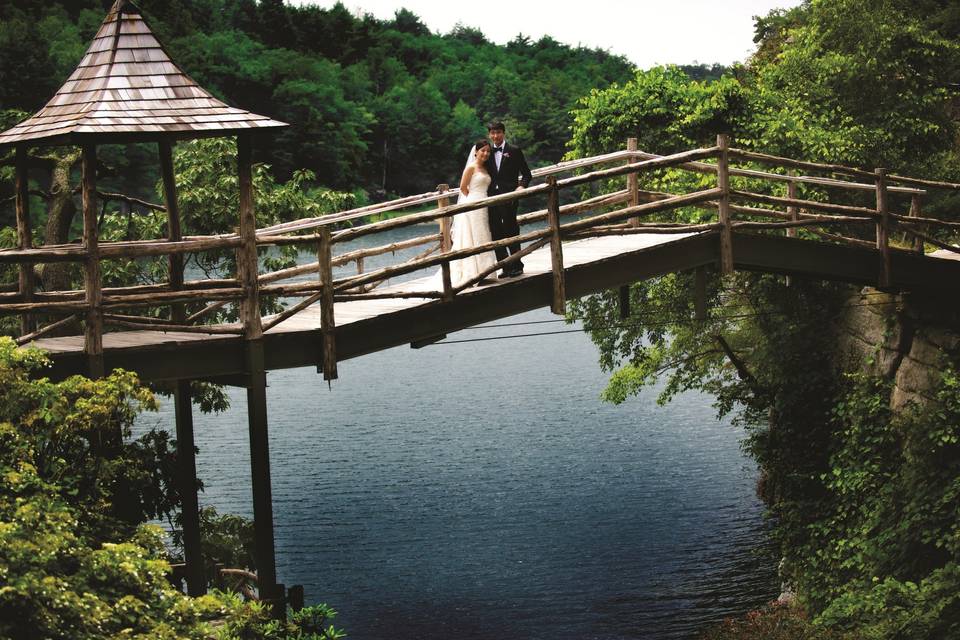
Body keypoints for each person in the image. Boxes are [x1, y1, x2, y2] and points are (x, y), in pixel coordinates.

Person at [484, 121, 532, 277]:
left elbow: (526, 174)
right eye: (492, 133)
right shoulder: (487, 152)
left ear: (503, 133)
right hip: (490, 198)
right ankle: (505, 266)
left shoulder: (514, 151)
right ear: (489, 135)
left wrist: (521, 187)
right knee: (495, 232)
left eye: (498, 132)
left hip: (509, 197)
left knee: (511, 230)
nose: (495, 136)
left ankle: (517, 265)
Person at [448, 139, 498, 287]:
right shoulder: (471, 168)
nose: (486, 153)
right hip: (473, 204)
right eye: (483, 150)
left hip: (484, 205)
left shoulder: (486, 169)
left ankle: (485, 270)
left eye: (488, 151)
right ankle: (472, 272)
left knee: (483, 234)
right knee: (472, 235)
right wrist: (472, 200)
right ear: (476, 152)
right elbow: (463, 188)